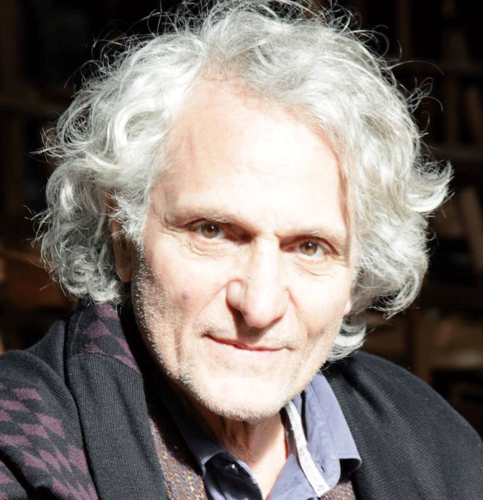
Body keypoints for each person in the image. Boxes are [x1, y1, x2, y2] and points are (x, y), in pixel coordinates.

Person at [1, 1, 482, 498]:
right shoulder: (20, 451)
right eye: (213, 231)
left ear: (355, 274)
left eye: (311, 248)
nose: (259, 306)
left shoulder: (438, 446)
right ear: (123, 235)